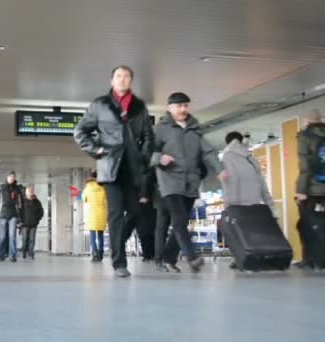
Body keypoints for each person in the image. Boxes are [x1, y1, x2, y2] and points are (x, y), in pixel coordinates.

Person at [73, 65, 154, 278]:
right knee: (116, 213)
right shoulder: (100, 105)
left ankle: (118, 245)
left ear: (131, 81)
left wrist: (144, 157)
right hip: (110, 168)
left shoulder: (139, 107)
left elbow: (148, 135)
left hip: (133, 169)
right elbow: (80, 131)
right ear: (112, 81)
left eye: (127, 76)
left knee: (137, 212)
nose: (122, 79)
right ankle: (119, 262)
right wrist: (96, 150)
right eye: (118, 76)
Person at [150, 92, 227, 273]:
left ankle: (167, 259)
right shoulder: (159, 130)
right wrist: (159, 158)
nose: (183, 109)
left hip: (191, 182)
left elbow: (208, 152)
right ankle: (192, 256)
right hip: (169, 180)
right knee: (178, 218)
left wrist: (219, 169)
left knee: (182, 221)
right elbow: (145, 153)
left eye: (185, 105)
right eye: (178, 106)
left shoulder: (195, 130)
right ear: (170, 108)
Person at [221, 131, 277, 269]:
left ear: (227, 143)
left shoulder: (226, 158)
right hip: (254, 202)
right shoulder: (250, 158)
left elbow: (229, 181)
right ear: (241, 141)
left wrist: (227, 201)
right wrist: (270, 203)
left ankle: (241, 258)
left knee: (236, 232)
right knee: (252, 232)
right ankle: (255, 257)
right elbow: (262, 183)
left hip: (236, 203)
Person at [295, 109, 325, 269]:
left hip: (313, 190)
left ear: (307, 121)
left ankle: (310, 260)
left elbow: (305, 167)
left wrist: (301, 190)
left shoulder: (305, 136)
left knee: (305, 225)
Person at [0, 171, 25, 263]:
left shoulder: (17, 189)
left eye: (13, 177)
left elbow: (21, 205)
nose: (12, 178)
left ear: (15, 178)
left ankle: (12, 255)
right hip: (2, 215)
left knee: (12, 236)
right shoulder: (0, 188)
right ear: (7, 178)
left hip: (13, 215)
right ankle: (0, 254)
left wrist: (21, 218)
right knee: (2, 236)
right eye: (10, 177)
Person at [82, 171, 108, 262]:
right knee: (100, 235)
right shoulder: (104, 187)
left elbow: (83, 199)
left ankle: (95, 254)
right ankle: (101, 254)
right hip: (101, 213)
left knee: (92, 236)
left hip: (91, 214)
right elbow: (107, 199)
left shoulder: (87, 187)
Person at [20, 187, 44, 260]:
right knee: (24, 239)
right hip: (24, 224)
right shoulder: (22, 201)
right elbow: (19, 211)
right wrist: (20, 221)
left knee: (32, 240)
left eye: (31, 191)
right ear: (26, 193)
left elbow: (41, 212)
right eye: (29, 191)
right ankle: (24, 252)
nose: (30, 192)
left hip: (34, 224)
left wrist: (37, 220)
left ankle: (31, 254)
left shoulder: (37, 201)